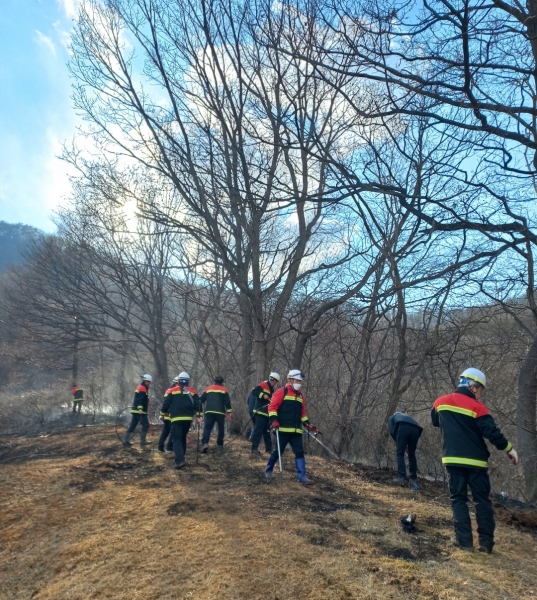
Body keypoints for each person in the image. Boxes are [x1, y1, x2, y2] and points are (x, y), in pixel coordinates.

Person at [432, 368, 519, 553]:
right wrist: (509, 449)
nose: (480, 394)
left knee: (458, 499)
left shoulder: (440, 402)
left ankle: (464, 543)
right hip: (476, 462)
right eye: (480, 390)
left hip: (452, 459)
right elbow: (492, 433)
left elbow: (436, 421)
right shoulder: (478, 408)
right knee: (482, 501)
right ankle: (486, 544)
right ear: (472, 386)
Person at [265, 369, 318, 484]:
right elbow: (272, 407)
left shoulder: (301, 396)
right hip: (282, 429)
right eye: (297, 381)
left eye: (300, 381)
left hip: (296, 431)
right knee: (278, 451)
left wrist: (308, 424)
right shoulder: (281, 392)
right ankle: (268, 470)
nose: (299, 383)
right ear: (290, 380)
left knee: (299, 452)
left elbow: (302, 414)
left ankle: (302, 477)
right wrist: (274, 420)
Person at [161, 371, 201, 469]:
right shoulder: (193, 391)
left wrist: (162, 414)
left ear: (178, 381)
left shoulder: (172, 391)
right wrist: (199, 416)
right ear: (188, 381)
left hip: (176, 419)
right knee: (182, 437)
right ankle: (182, 456)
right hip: (188, 419)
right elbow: (198, 404)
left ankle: (180, 461)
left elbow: (166, 404)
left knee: (176, 439)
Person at [388, 411, 423, 489]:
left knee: (400, 453)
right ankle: (413, 478)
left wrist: (399, 442)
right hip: (416, 429)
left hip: (403, 427)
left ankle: (402, 478)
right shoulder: (407, 417)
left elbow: (392, 432)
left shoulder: (391, 418)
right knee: (412, 454)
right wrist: (407, 445)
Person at [250, 372, 280, 455]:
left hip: (267, 414)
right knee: (258, 431)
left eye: (276, 382)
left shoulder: (272, 390)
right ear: (272, 379)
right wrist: (263, 395)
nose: (275, 384)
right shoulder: (263, 385)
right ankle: (254, 449)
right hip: (260, 412)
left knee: (267, 432)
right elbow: (254, 391)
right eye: (275, 382)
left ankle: (268, 449)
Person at [200, 376, 232, 453]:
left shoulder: (208, 389)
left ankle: (205, 444)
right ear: (222, 383)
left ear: (214, 381)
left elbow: (201, 400)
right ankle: (219, 445)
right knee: (221, 428)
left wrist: (198, 410)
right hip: (220, 412)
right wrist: (229, 412)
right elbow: (227, 402)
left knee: (207, 428)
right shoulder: (224, 390)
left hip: (209, 411)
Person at [123, 374, 153, 447]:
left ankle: (125, 440)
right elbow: (140, 399)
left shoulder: (141, 387)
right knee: (146, 425)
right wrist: (140, 409)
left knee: (132, 425)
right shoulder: (143, 388)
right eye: (148, 382)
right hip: (139, 411)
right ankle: (143, 440)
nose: (149, 383)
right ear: (145, 381)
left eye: (149, 382)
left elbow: (140, 398)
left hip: (135, 410)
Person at [157, 377, 178, 453]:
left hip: (166, 415)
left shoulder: (168, 390)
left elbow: (165, 403)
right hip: (170, 415)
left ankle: (160, 447)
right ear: (176, 383)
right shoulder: (174, 391)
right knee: (173, 432)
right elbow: (169, 403)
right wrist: (170, 412)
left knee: (165, 432)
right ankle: (170, 448)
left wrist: (163, 413)